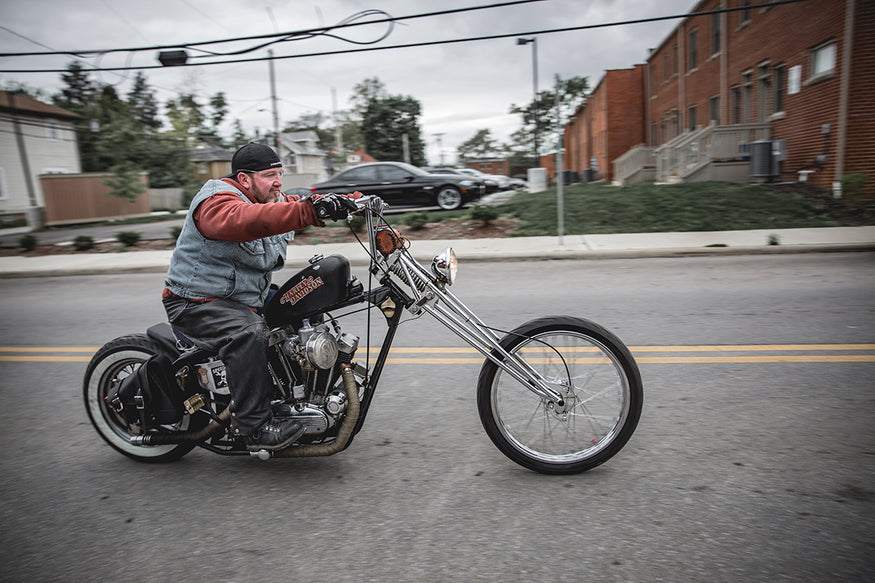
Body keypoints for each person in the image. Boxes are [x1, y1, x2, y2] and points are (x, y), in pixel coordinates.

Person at [162, 142, 358, 451]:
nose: (278, 181)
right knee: (249, 333)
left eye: (280, 173)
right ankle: (254, 426)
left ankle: (306, 396)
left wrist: (342, 201)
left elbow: (292, 201)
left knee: (305, 305)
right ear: (244, 179)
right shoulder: (215, 202)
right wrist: (307, 211)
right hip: (197, 302)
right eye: (270, 175)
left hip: (243, 298)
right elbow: (245, 219)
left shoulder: (268, 197)